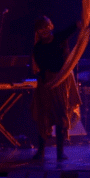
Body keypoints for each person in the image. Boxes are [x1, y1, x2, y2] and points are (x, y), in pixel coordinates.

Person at [31, 16, 82, 160]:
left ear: (51, 26)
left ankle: (60, 152)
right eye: (41, 29)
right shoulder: (38, 47)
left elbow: (70, 30)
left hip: (60, 81)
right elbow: (42, 66)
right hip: (47, 82)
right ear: (38, 32)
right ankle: (41, 151)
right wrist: (46, 82)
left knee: (61, 115)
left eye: (46, 27)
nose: (44, 31)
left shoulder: (59, 37)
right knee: (43, 116)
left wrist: (78, 24)